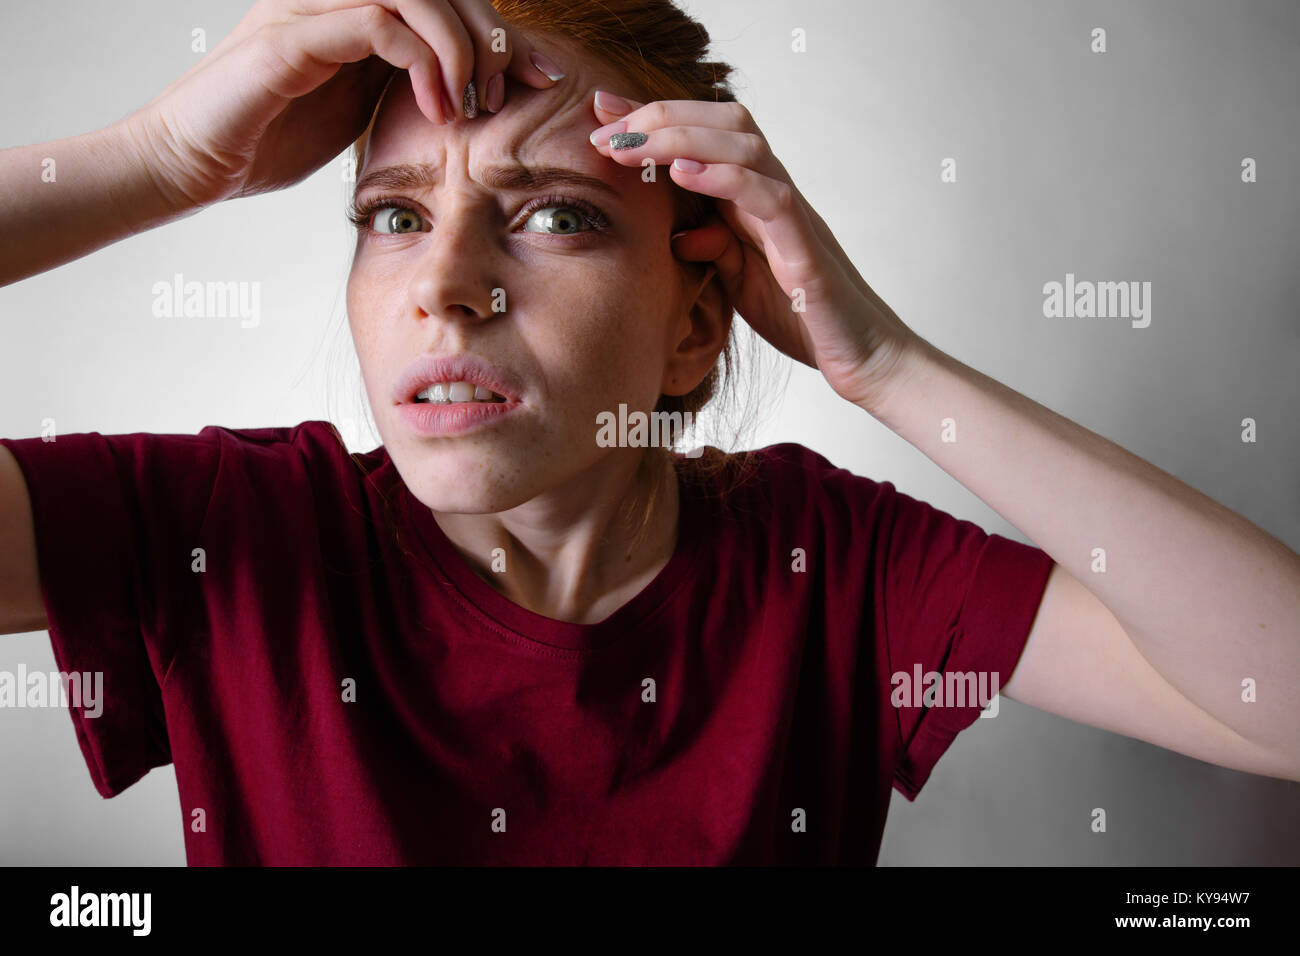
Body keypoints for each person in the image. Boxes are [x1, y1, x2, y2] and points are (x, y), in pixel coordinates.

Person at [1, 0, 1296, 865]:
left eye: (555, 214)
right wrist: (165, 156)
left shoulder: (826, 563)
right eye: (392, 216)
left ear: (695, 326)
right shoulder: (223, 530)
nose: (442, 282)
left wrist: (889, 366)